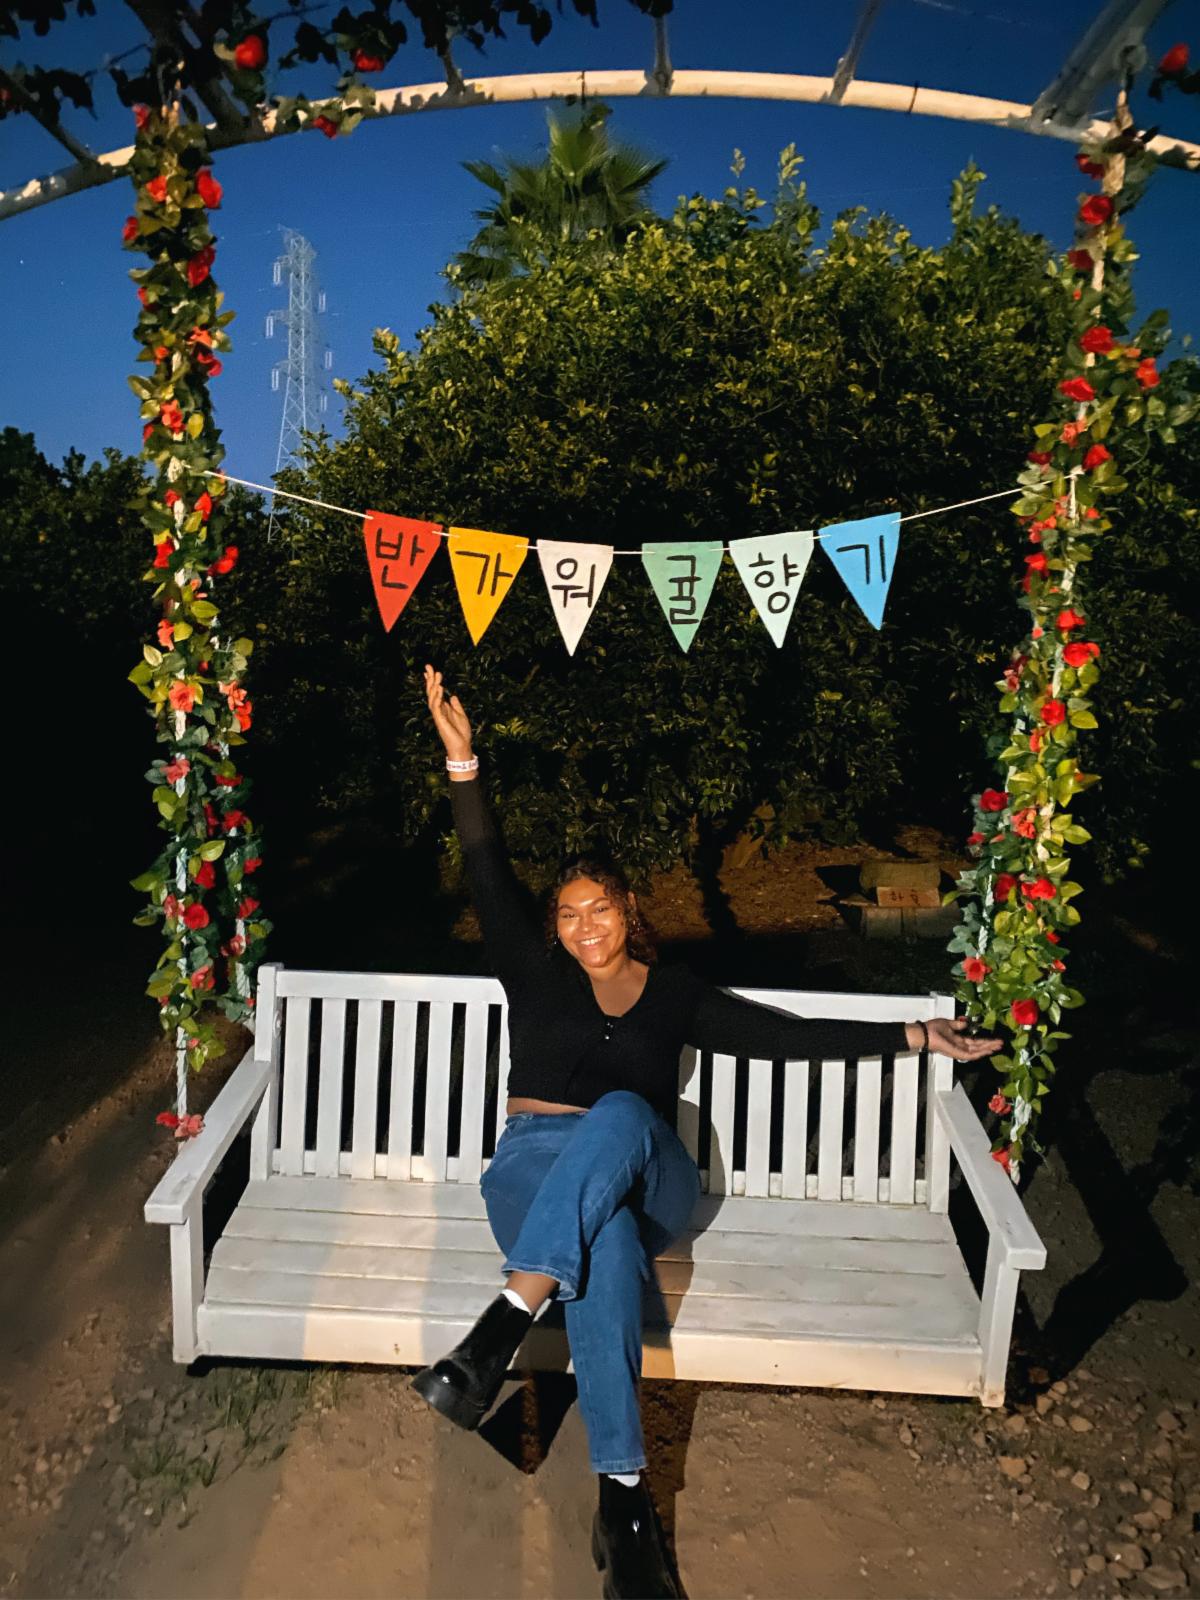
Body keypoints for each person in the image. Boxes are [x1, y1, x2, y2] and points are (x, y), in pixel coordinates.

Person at [413, 664, 1002, 1599]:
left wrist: (917, 1035)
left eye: (600, 908)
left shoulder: (675, 994)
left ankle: (505, 1320)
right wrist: (463, 762)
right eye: (568, 914)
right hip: (533, 1169)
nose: (584, 926)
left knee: (620, 1116)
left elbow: (784, 1038)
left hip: (651, 1174)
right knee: (604, 1249)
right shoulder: (533, 971)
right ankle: (625, 1511)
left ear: (628, 912)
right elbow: (486, 864)